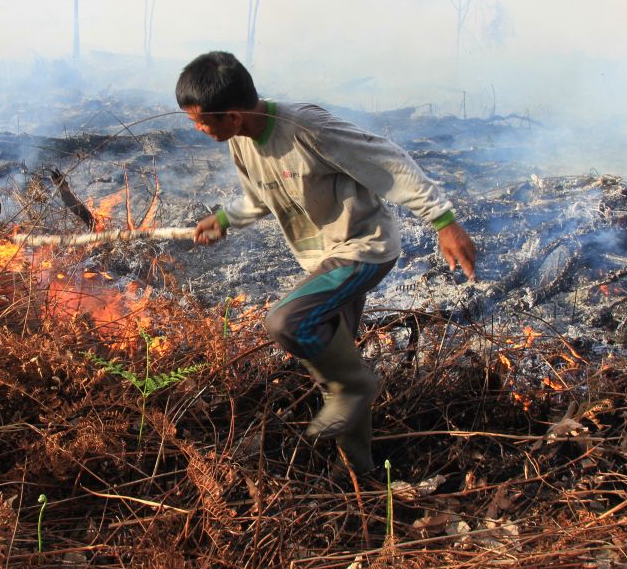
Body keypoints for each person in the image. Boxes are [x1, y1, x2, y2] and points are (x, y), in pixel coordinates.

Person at [177, 51, 477, 476]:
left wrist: (444, 220)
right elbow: (261, 197)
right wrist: (227, 218)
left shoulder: (307, 129)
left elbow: (387, 161)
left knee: (287, 323)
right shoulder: (241, 143)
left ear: (234, 114)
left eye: (202, 121)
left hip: (363, 248)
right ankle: (361, 472)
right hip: (323, 258)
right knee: (334, 372)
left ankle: (358, 387)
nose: (199, 129)